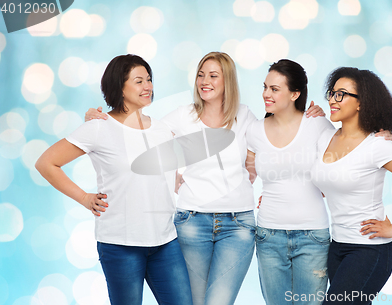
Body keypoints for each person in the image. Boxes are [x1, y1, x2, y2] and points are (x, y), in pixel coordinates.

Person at [85, 52, 326, 305]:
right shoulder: (182, 116)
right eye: (201, 75)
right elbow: (142, 136)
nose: (204, 81)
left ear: (227, 82)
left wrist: (311, 118)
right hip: (191, 222)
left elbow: (271, 146)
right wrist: (101, 119)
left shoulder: (245, 117)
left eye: (213, 75)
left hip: (238, 225)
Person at [35, 54, 193, 305]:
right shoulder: (99, 127)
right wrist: (85, 198)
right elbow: (46, 163)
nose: (148, 86)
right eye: (139, 81)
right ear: (119, 86)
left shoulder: (162, 129)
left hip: (165, 241)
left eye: (149, 80)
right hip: (121, 244)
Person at [310, 67, 392, 305]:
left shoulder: (378, 145)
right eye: (331, 92)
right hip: (337, 247)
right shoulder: (325, 137)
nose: (332, 100)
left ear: (361, 103)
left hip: (369, 251)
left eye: (341, 94)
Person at [246, 59, 332, 305]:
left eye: (274, 89)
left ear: (295, 93)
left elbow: (340, 168)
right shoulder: (254, 130)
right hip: (269, 235)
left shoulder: (317, 125)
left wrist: (383, 133)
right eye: (265, 87)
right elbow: (246, 177)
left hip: (312, 236)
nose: (266, 94)